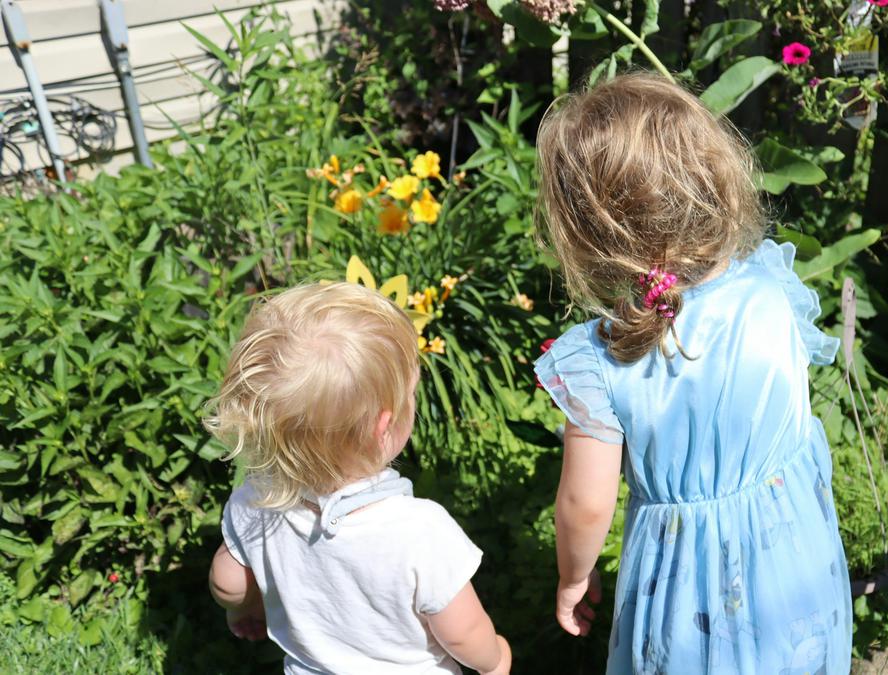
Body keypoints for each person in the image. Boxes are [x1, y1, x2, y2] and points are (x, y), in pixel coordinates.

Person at [535, 73, 852, 673]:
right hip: (793, 554)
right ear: (715, 178)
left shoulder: (602, 358)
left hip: (686, 586)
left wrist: (573, 577)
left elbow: (585, 503)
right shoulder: (770, 287)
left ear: (589, 234)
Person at [206, 282, 510, 675]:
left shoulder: (258, 500)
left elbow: (227, 579)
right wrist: (495, 660)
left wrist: (243, 609)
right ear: (384, 427)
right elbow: (463, 632)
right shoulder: (421, 530)